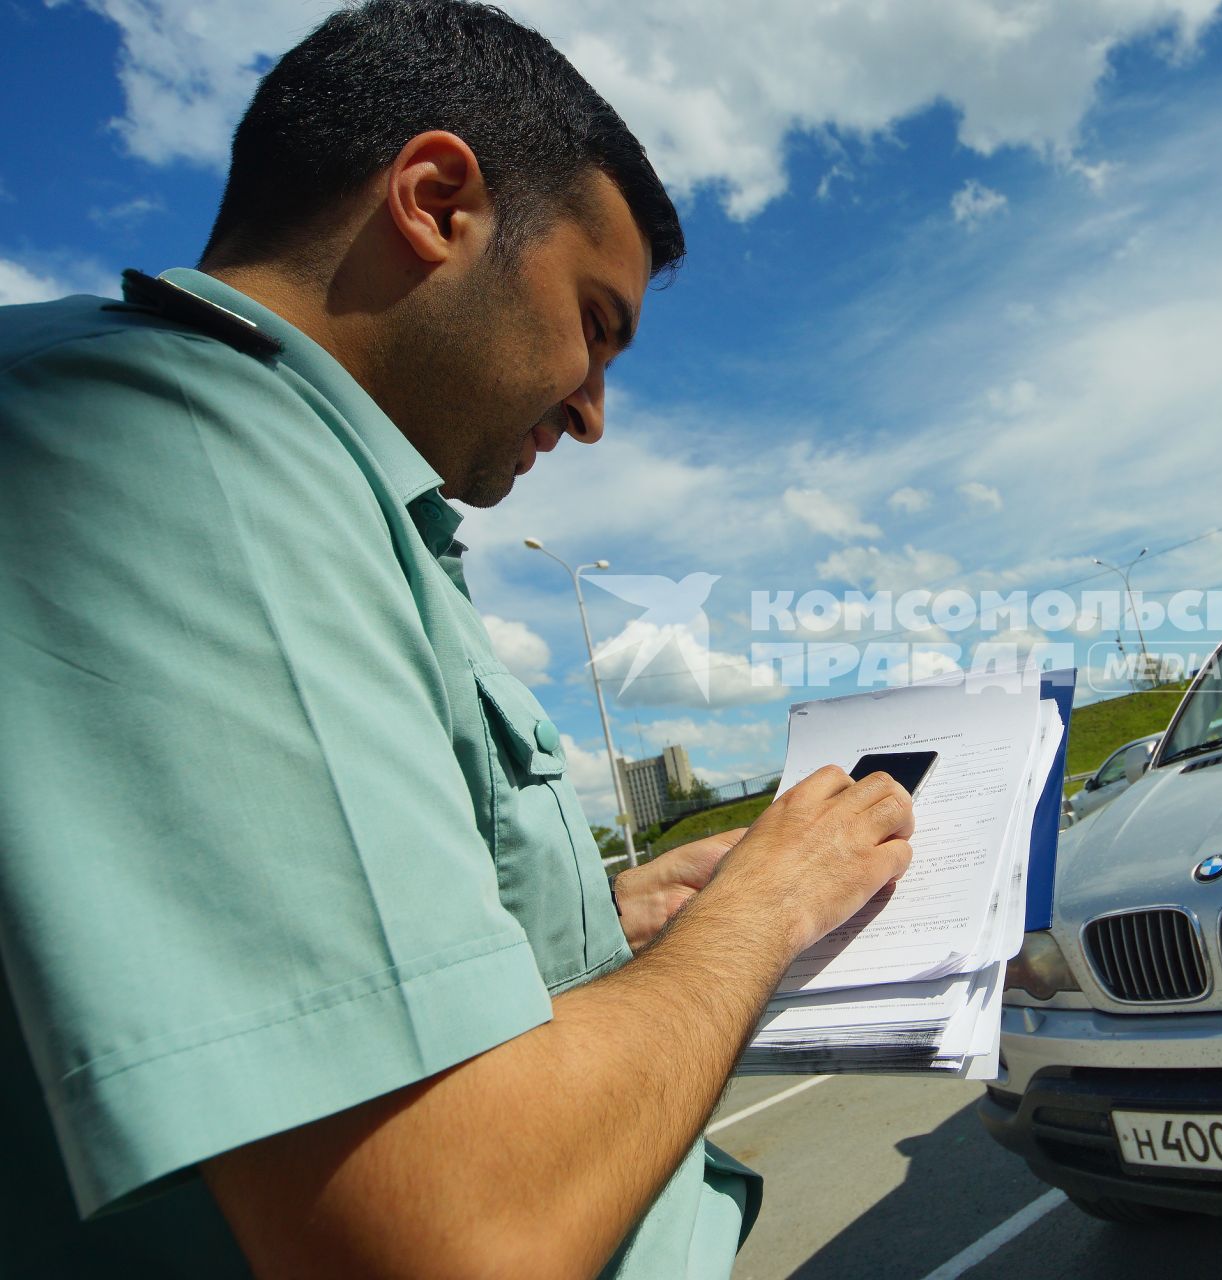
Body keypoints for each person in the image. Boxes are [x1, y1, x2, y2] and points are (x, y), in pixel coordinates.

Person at [0, 2, 915, 1275]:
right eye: (595, 322)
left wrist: (604, 917)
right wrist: (762, 907)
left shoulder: (316, 495)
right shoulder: (182, 451)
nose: (594, 411)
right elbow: (446, 1233)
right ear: (434, 200)